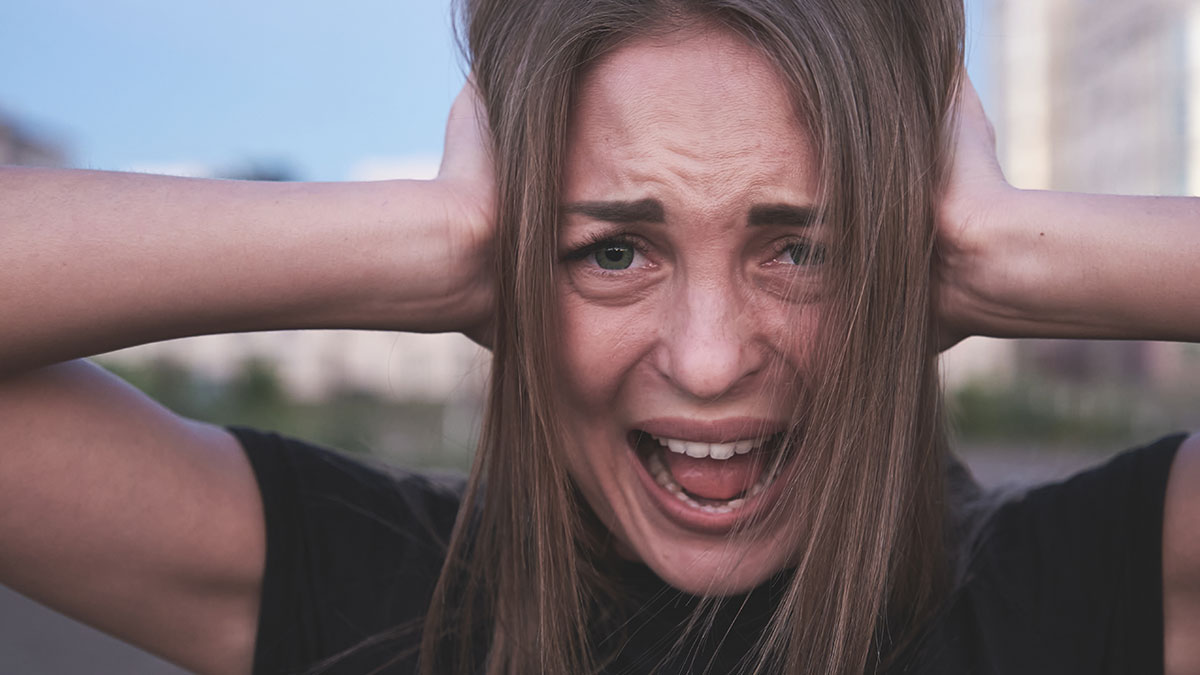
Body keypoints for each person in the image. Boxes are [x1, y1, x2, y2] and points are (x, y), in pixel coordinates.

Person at [1, 0, 1198, 673]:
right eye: (614, 251)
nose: (710, 360)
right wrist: (441, 236)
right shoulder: (391, 595)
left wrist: (1004, 246)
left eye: (806, 249)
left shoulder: (1098, 590)